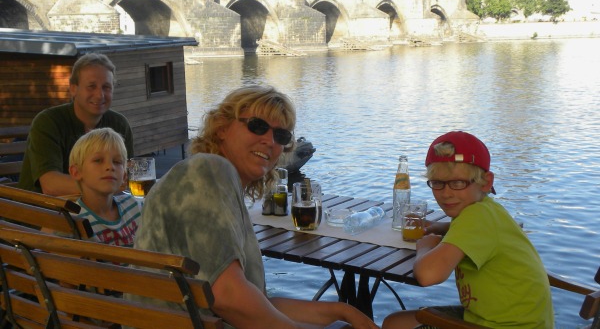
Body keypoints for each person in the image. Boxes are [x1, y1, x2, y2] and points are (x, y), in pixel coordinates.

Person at [131, 85, 379, 329]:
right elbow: (229, 299)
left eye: (281, 136)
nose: (269, 141)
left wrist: (342, 311)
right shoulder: (207, 170)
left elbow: (257, 305)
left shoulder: (221, 188)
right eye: (257, 126)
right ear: (222, 128)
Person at [382, 131, 553, 328]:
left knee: (395, 324)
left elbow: (428, 275)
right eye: (438, 183)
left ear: (486, 182)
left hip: (502, 325)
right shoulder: (487, 209)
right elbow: (475, 230)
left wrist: (425, 247)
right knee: (398, 321)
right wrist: (438, 226)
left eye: (458, 183)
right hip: (515, 321)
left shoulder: (476, 217)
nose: (446, 194)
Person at [19, 53, 134, 196]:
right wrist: (104, 187)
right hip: (44, 212)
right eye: (91, 86)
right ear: (73, 89)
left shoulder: (119, 125)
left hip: (99, 211)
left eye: (106, 87)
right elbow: (50, 185)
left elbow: (127, 177)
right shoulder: (48, 122)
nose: (100, 95)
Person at [68, 127, 140, 246]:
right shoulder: (72, 223)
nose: (110, 167)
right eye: (98, 160)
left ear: (124, 176)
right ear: (76, 172)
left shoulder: (136, 207)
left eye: (117, 162)